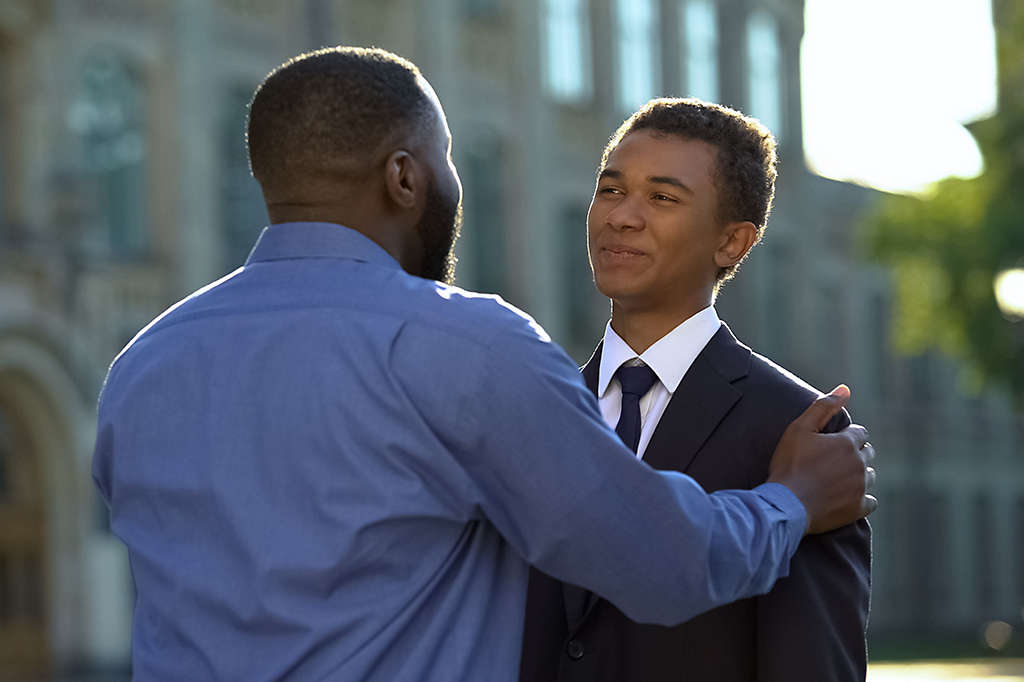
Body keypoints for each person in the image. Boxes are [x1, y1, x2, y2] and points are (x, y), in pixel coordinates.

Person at [91, 48, 876, 682]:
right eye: (447, 158)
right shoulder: (465, 348)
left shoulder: (140, 367)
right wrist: (791, 503)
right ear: (406, 177)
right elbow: (662, 558)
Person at [519, 98, 872, 682]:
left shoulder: (799, 429)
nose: (622, 217)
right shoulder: (532, 410)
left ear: (732, 242)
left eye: (662, 198)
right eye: (610, 190)